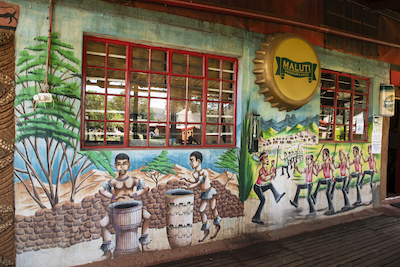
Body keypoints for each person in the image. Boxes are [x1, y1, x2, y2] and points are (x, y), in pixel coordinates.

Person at [95, 153, 152, 261]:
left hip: (132, 209)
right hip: (117, 210)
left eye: (124, 164)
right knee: (103, 223)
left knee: (147, 216)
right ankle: (107, 253)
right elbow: (101, 190)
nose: (122, 167)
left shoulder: (133, 180)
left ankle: (144, 245)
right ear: (115, 166)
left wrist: (134, 195)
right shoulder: (113, 181)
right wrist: (112, 196)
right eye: (119, 164)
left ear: (129, 164)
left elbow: (146, 188)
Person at [181, 151, 222, 242]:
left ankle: (217, 226)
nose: (190, 163)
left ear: (198, 161)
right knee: (201, 210)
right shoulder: (195, 173)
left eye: (192, 160)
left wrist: (187, 187)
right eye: (190, 160)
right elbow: (194, 181)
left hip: (210, 191)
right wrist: (186, 179)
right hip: (204, 193)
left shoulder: (204, 172)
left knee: (213, 207)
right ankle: (206, 230)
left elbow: (198, 183)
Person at [252, 152, 285, 224]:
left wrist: (273, 167)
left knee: (270, 185)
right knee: (263, 200)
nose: (267, 159)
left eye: (267, 157)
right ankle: (256, 218)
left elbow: (269, 173)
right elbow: (264, 178)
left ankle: (277, 196)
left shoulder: (265, 168)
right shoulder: (261, 170)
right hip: (257, 187)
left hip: (260, 187)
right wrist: (271, 176)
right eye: (265, 157)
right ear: (261, 160)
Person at [313, 148, 335, 215]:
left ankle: (331, 208)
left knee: (327, 193)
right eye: (322, 155)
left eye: (323, 155)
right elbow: (318, 171)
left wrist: (333, 176)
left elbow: (333, 169)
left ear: (327, 156)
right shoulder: (322, 165)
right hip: (326, 180)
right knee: (319, 181)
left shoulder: (329, 164)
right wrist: (315, 165)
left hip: (328, 180)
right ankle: (314, 195)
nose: (322, 156)